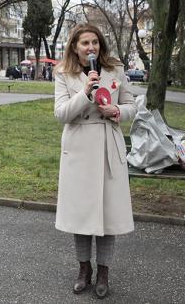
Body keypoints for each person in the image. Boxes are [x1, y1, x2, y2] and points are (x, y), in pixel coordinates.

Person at [54, 23, 136, 299]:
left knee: (107, 214)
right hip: (78, 151)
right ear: (75, 48)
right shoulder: (64, 73)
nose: (91, 48)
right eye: (85, 43)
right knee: (81, 215)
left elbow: (132, 106)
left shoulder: (115, 69)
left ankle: (103, 272)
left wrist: (117, 111)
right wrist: (85, 93)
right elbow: (62, 113)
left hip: (107, 148)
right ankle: (83, 269)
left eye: (95, 43)